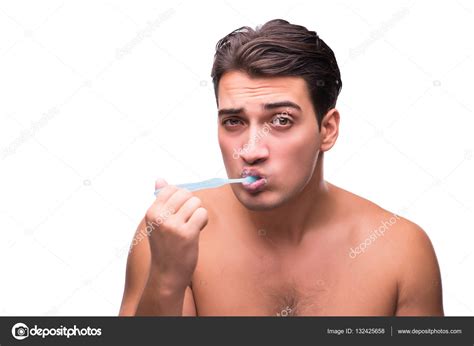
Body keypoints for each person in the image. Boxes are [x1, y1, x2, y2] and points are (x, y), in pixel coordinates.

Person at [119, 19, 443, 316]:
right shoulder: (171, 235)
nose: (251, 150)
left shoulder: (399, 251)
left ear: (327, 130)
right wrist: (166, 278)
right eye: (234, 121)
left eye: (281, 120)